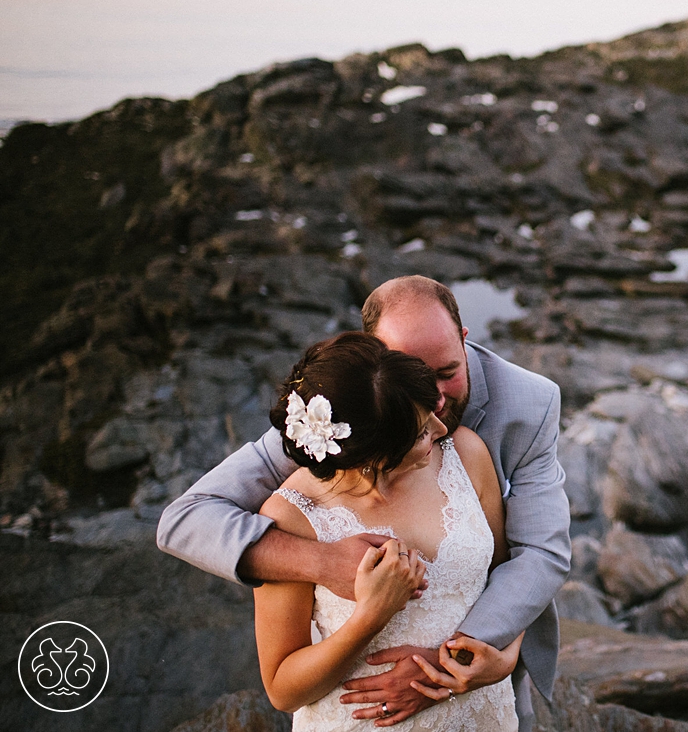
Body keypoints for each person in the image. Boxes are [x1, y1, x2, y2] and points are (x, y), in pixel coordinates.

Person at [157, 276, 569, 730]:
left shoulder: (523, 410)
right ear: (374, 359)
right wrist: (320, 561)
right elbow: (184, 520)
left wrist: (477, 658)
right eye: (412, 378)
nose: (435, 405)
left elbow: (539, 554)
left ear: (464, 340)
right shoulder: (331, 420)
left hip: (486, 672)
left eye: (447, 372)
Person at [254, 331, 517, 729]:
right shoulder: (291, 517)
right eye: (420, 432)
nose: (440, 431)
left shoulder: (466, 454)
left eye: (431, 413)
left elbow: (508, 581)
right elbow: (282, 689)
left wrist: (501, 660)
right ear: (373, 455)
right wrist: (371, 616)